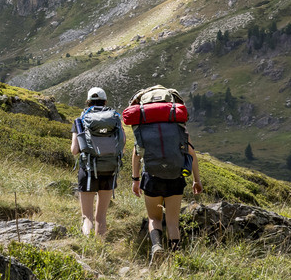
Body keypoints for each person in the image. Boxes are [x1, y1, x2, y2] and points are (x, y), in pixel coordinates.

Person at [127, 84, 203, 266]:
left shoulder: (144, 129)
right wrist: (196, 180)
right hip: (176, 177)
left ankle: (157, 247)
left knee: (154, 218)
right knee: (172, 221)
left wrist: (136, 180)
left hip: (151, 178)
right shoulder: (179, 128)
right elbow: (191, 154)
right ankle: (175, 257)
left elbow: (137, 155)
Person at [71, 87, 122, 238]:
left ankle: (88, 247)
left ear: (88, 102)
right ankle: (100, 247)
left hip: (87, 171)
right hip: (109, 169)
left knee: (87, 217)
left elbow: (74, 150)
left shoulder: (80, 120)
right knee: (101, 217)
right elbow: (121, 146)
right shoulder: (114, 119)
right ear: (105, 101)